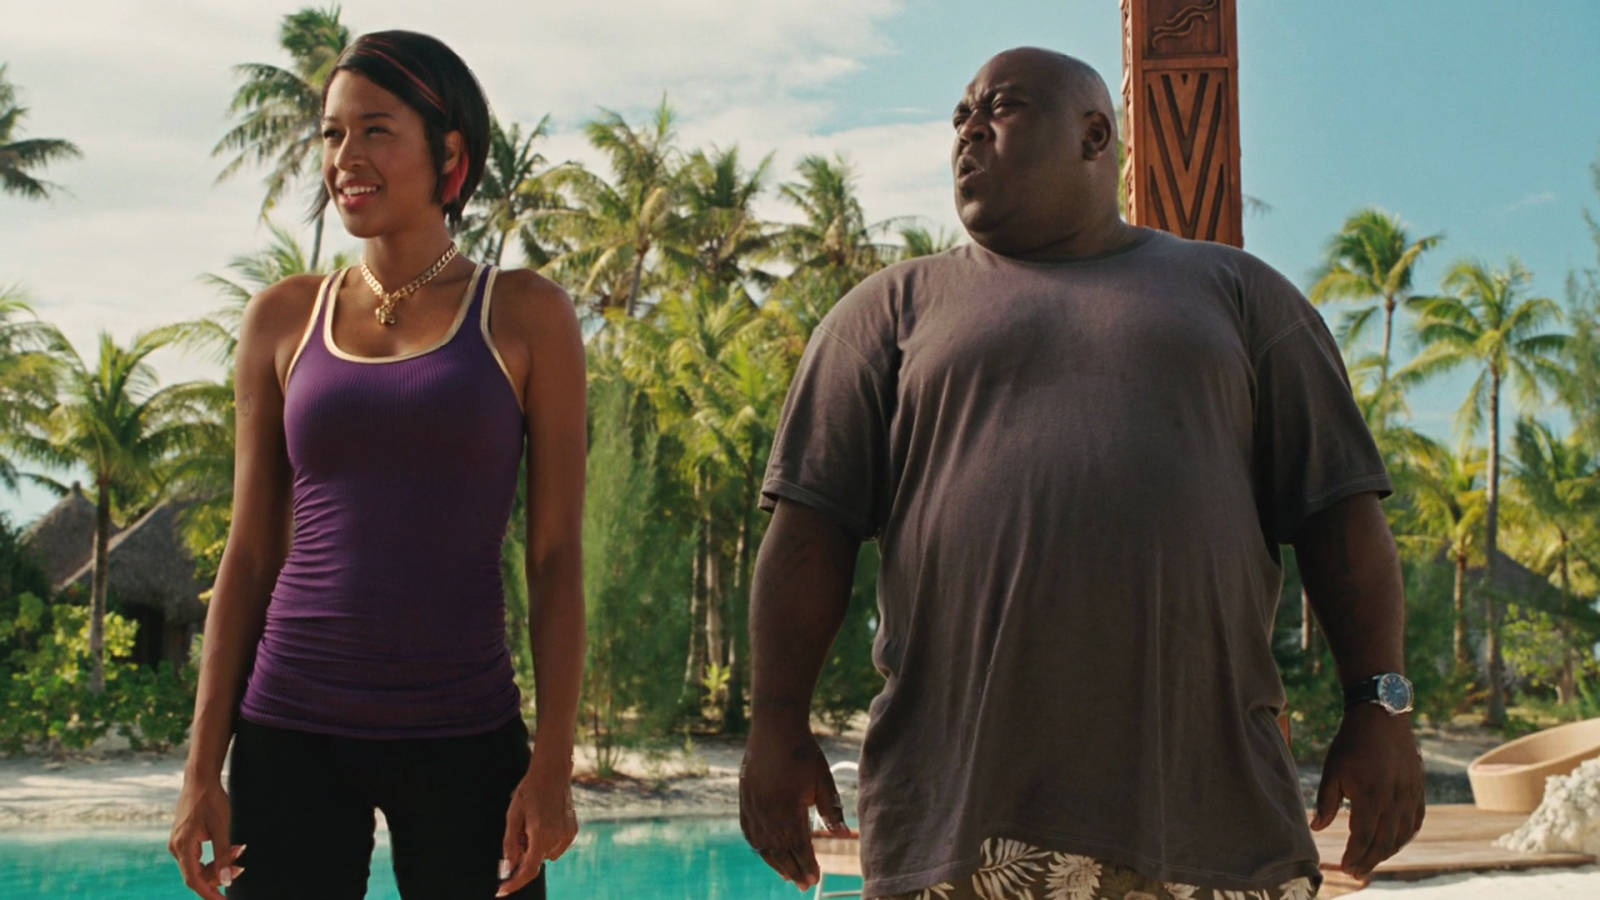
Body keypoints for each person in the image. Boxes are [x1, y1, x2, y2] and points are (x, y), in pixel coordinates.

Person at [740, 47, 1425, 900]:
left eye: (1002, 107)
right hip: (958, 827)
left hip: (1213, 828)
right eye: (960, 116)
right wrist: (775, 725)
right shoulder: (887, 313)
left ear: (1095, 135)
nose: (969, 130)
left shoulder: (1242, 297)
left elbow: (1341, 521)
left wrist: (1380, 708)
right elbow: (808, 537)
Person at [167, 31, 587, 900]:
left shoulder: (525, 315)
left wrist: (552, 763)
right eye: (331, 134)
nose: (345, 158)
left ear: (451, 155)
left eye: (376, 131)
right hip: (291, 728)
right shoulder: (283, 318)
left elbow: (554, 556)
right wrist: (201, 766)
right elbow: (250, 552)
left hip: (466, 732)